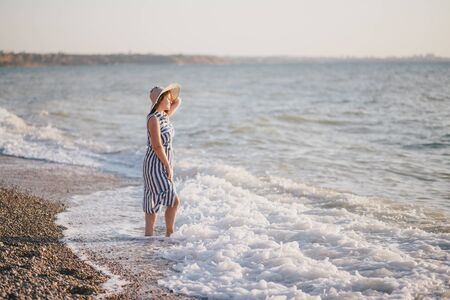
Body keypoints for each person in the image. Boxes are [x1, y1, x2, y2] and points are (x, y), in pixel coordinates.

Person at [143, 83, 182, 237]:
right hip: (155, 164)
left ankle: (149, 237)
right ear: (160, 100)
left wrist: (168, 94)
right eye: (167, 98)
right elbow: (157, 146)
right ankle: (169, 234)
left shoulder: (164, 116)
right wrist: (167, 166)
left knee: (153, 200)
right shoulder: (153, 119)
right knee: (173, 200)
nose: (171, 100)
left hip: (164, 162)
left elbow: (179, 101)